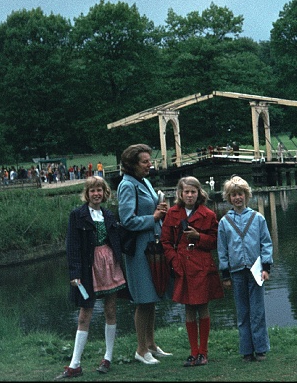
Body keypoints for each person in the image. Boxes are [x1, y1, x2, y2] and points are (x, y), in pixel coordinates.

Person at [56, 175, 126, 380]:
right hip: (88, 268)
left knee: (110, 309)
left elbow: (117, 239)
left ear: (105, 193)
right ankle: (75, 364)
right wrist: (75, 272)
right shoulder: (77, 215)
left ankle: (108, 357)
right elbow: (73, 246)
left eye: (100, 190)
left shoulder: (108, 214)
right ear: (86, 194)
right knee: (84, 313)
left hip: (109, 264)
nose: (96, 194)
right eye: (92, 190)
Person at [117, 143, 172, 365]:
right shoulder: (126, 186)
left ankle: (151, 344)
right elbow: (127, 220)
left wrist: (161, 210)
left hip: (152, 246)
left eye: (150, 160)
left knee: (152, 297)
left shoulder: (145, 182)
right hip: (139, 249)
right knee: (143, 299)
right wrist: (155, 217)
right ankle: (141, 350)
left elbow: (151, 209)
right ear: (132, 165)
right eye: (145, 162)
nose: (150, 165)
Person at [160, 176, 224, 367]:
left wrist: (198, 237)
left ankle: (203, 352)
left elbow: (215, 242)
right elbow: (165, 242)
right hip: (182, 267)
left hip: (203, 266)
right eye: (186, 192)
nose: (189, 195)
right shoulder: (172, 213)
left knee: (203, 306)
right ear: (180, 193)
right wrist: (174, 261)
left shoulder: (209, 214)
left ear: (199, 193)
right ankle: (193, 352)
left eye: (193, 192)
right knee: (188, 308)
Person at [217, 175, 273, 362]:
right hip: (236, 271)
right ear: (228, 197)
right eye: (233, 195)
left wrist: (266, 267)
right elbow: (222, 249)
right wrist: (224, 273)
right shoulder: (224, 222)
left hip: (255, 270)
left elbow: (266, 243)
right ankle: (246, 350)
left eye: (240, 194)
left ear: (246, 195)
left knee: (258, 311)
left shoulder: (258, 218)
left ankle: (261, 348)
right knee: (242, 312)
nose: (237, 198)